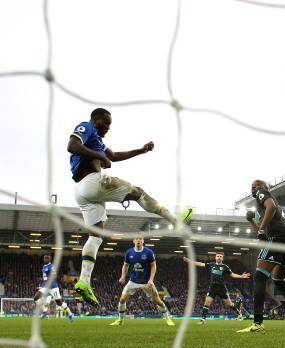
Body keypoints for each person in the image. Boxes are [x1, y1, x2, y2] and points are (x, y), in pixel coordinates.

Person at [68, 108, 192, 306]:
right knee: (138, 192)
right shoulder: (87, 127)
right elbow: (72, 145)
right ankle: (174, 219)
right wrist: (100, 158)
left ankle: (84, 281)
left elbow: (115, 155)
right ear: (96, 119)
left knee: (96, 235)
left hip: (82, 192)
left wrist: (140, 151)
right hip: (92, 181)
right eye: (106, 123)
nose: (108, 127)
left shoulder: (98, 141)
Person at [238, 179, 285, 333]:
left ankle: (257, 323)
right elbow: (263, 227)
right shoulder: (262, 207)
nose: (253, 187)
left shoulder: (262, 194)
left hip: (278, 239)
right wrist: (252, 221)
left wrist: (262, 230)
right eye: (251, 186)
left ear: (263, 187)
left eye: (256, 185)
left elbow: (271, 206)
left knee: (259, 276)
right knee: (278, 280)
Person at [109, 236, 174, 326]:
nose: (138, 240)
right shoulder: (129, 252)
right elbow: (125, 265)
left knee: (158, 301)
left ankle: (168, 318)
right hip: (133, 281)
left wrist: (151, 280)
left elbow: (153, 266)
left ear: (143, 241)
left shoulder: (149, 252)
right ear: (133, 240)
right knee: (122, 299)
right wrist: (123, 276)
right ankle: (120, 320)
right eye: (136, 238)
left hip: (146, 282)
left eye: (140, 239)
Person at [182, 253, 250, 324]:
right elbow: (200, 264)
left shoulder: (225, 267)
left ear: (222, 258)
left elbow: (232, 275)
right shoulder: (211, 265)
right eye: (218, 256)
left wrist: (241, 276)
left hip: (222, 288)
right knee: (207, 303)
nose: (219, 257)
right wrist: (189, 261)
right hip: (212, 288)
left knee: (229, 304)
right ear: (215, 257)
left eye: (220, 256)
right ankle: (203, 319)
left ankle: (239, 314)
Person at [33, 254, 74, 322]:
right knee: (36, 298)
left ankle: (70, 314)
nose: (45, 259)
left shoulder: (51, 266)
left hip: (53, 287)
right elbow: (45, 278)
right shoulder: (44, 267)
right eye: (44, 258)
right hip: (46, 286)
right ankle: (45, 312)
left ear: (49, 260)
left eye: (47, 258)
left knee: (59, 303)